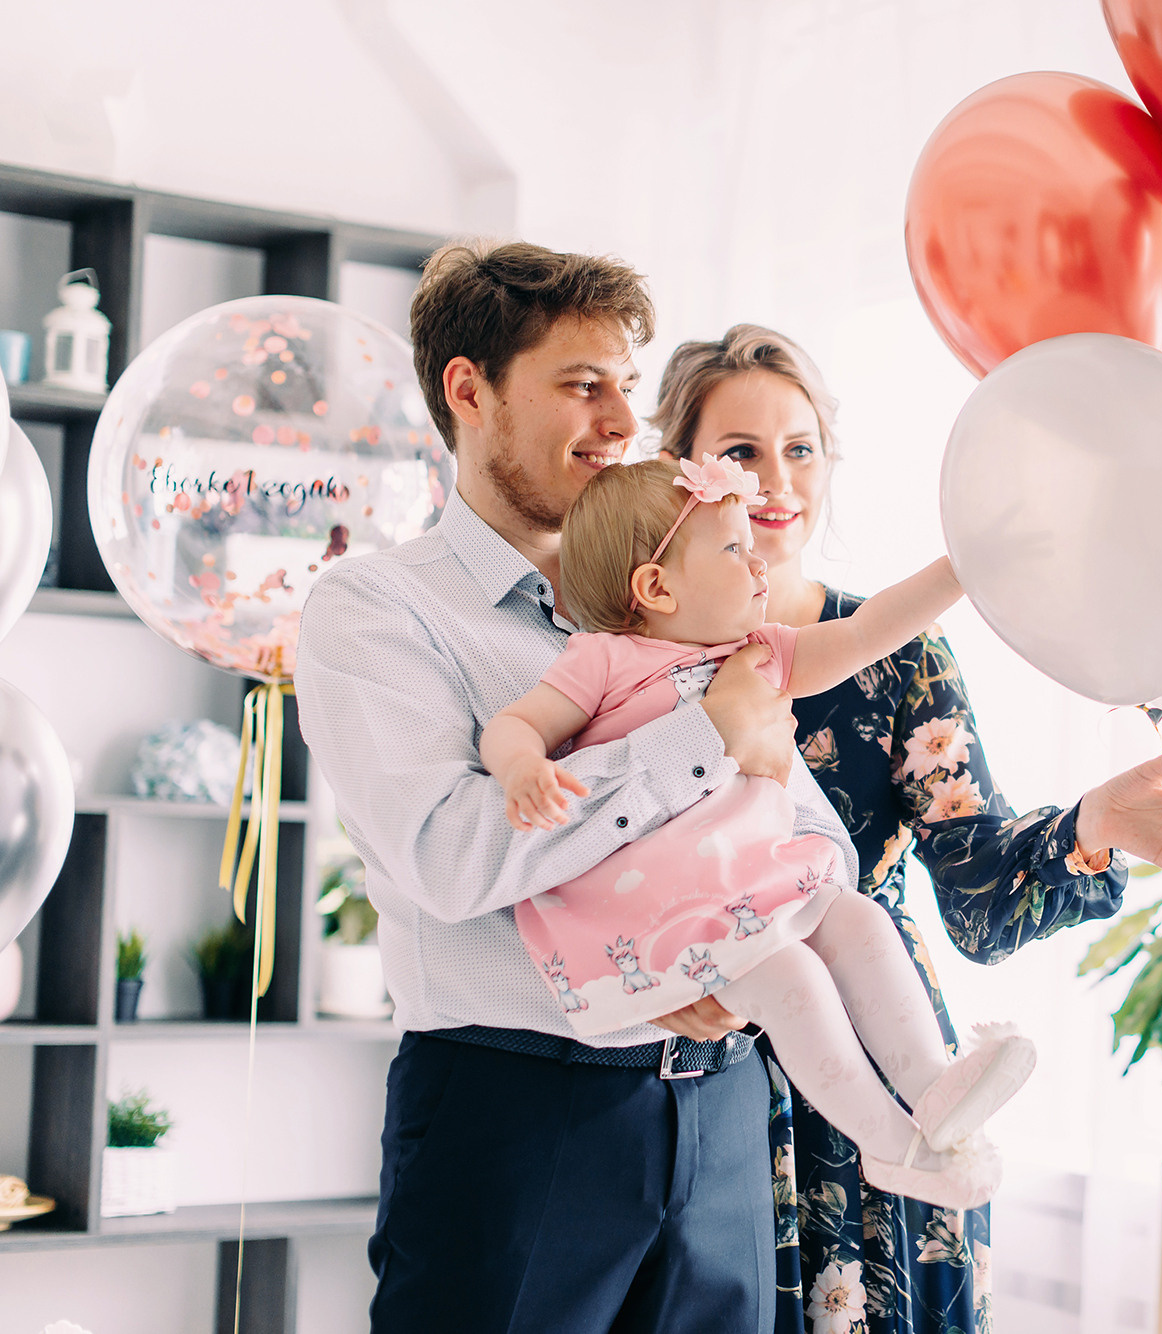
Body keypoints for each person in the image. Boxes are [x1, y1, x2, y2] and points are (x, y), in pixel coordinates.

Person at [649, 326, 1162, 1334]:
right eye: (741, 450)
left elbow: (973, 895)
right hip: (694, 1068)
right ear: (683, 465)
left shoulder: (893, 655)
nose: (777, 480)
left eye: (801, 447)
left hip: (886, 1055)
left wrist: (1092, 821)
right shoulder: (625, 651)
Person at [295, 242, 811, 1333]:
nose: (624, 419)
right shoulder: (376, 608)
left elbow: (783, 819)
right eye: (584, 384)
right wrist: (692, 736)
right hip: (517, 1118)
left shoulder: (677, 587)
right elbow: (450, 851)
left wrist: (717, 948)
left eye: (626, 384)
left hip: (719, 1105)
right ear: (469, 389)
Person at [481, 451, 1034, 1208]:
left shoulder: (763, 653)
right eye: (735, 549)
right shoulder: (603, 660)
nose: (761, 564)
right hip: (671, 909)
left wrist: (962, 568)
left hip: (762, 877)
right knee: (794, 978)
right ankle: (891, 1145)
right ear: (656, 586)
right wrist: (522, 769)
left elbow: (873, 629)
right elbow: (517, 723)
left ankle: (932, 1088)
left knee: (863, 921)